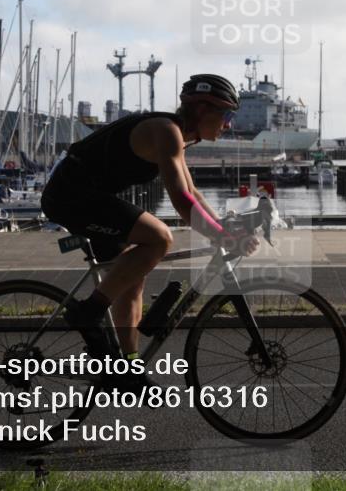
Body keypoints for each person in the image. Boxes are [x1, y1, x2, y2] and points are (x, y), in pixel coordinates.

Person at [40, 74, 260, 370]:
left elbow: (192, 192)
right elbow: (182, 200)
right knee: (159, 237)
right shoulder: (165, 131)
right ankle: (88, 311)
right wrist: (222, 236)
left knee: (131, 278)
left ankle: (128, 366)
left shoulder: (176, 135)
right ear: (202, 109)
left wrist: (222, 226)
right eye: (226, 114)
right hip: (70, 197)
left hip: (89, 197)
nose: (229, 123)